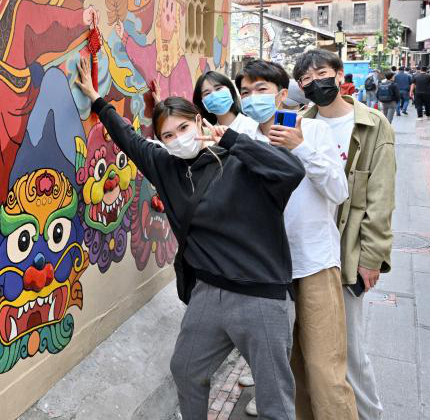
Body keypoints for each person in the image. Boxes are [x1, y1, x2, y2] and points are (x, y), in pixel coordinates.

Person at [75, 56, 305, 420]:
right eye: (168, 135)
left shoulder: (238, 159)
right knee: (185, 370)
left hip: (259, 295)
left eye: (183, 127)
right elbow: (127, 138)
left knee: (274, 400)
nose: (178, 138)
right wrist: (96, 99)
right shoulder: (165, 166)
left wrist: (232, 139)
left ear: (200, 121)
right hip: (207, 296)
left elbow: (290, 170)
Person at [234, 61, 356, 419]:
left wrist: (301, 147)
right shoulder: (244, 138)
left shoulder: (313, 131)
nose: (252, 98)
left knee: (325, 371)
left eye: (261, 90)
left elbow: (339, 190)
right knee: (288, 370)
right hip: (268, 270)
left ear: (282, 95)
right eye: (246, 92)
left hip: (313, 263)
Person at [295, 49, 395, 420]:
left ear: (339, 75)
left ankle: (369, 414)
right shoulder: (300, 122)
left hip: (348, 250)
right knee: (308, 345)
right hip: (309, 249)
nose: (314, 82)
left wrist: (372, 257)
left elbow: (381, 196)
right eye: (306, 79)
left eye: (321, 73)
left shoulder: (372, 124)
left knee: (349, 351)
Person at [192, 71, 258, 135]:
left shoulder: (252, 125)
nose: (214, 95)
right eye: (207, 93)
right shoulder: (207, 133)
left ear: (230, 90)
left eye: (218, 88)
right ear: (202, 102)